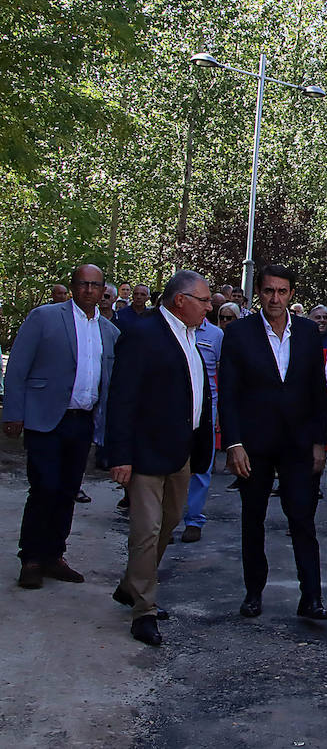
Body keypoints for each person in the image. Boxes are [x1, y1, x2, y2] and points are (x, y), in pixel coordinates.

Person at [104, 271, 214, 646]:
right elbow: (121, 399)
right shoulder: (143, 335)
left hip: (180, 451)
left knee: (169, 523)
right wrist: (120, 455)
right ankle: (144, 611)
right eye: (203, 299)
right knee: (146, 530)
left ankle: (130, 586)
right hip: (146, 452)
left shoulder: (190, 335)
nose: (209, 306)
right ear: (180, 300)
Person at [219, 264, 327, 621]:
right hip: (254, 444)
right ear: (259, 293)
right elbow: (228, 394)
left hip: (298, 443)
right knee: (253, 519)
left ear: (292, 295)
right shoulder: (238, 334)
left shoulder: (308, 334)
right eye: (269, 291)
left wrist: (320, 441)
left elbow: (317, 391)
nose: (275, 299)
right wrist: (233, 443)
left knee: (302, 519)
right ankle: (254, 593)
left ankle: (311, 597)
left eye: (282, 292)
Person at [4, 264, 119, 589]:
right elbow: (18, 366)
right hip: (45, 419)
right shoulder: (45, 317)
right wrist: (13, 412)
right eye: (83, 284)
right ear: (73, 286)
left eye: (95, 285)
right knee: (44, 487)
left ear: (102, 291)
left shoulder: (108, 332)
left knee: (68, 489)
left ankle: (55, 554)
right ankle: (31, 558)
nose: (89, 290)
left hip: (82, 422)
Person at [181, 291, 225, 543]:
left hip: (208, 406)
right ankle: (166, 519)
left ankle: (194, 520)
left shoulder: (216, 336)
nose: (208, 307)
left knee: (201, 465)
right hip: (176, 405)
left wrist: (221, 414)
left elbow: (222, 373)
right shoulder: (171, 332)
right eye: (204, 301)